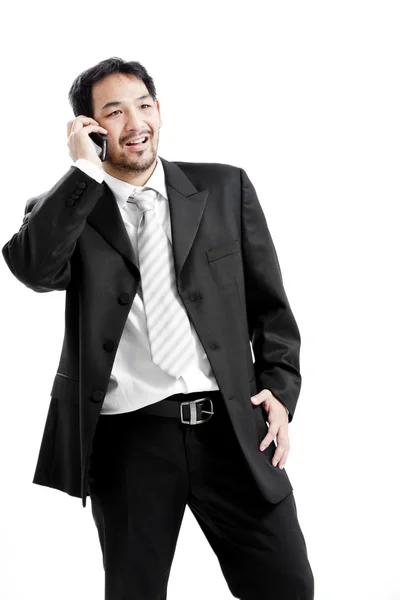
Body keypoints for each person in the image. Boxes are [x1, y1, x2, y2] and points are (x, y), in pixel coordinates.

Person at [2, 57, 314, 600]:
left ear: (160, 110)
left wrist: (282, 393)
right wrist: (81, 174)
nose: (135, 123)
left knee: (286, 586)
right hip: (130, 439)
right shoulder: (69, 208)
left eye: (143, 105)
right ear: (90, 128)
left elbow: (272, 309)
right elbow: (34, 270)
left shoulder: (223, 187)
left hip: (234, 430)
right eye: (114, 112)